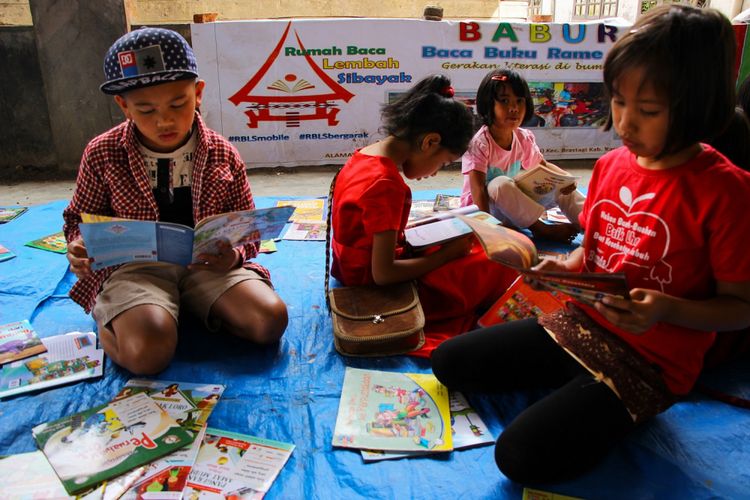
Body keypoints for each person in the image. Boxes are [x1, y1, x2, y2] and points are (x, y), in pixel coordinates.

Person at [431, 4, 750, 484]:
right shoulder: (611, 166)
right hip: (581, 323)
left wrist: (664, 308)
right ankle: (582, 391)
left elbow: (740, 307)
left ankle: (604, 400)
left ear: (697, 106)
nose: (625, 123)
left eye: (647, 111)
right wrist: (560, 267)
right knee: (448, 362)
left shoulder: (727, 190)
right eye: (618, 102)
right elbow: (592, 255)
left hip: (651, 361)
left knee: (518, 457)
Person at [63, 28, 288, 375]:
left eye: (178, 104)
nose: (164, 120)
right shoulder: (102, 153)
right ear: (123, 105)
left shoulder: (223, 153)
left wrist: (234, 256)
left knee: (270, 320)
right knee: (147, 355)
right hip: (136, 271)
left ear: (197, 94)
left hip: (209, 268)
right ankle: (122, 319)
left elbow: (249, 233)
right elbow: (79, 219)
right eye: (146, 109)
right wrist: (78, 246)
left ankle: (179, 310)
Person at [330, 75, 518, 357]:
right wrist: (447, 256)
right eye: (442, 163)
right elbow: (384, 274)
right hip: (373, 284)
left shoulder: (364, 157)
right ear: (430, 141)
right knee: (496, 260)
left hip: (351, 265)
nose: (434, 173)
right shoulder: (386, 184)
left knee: (473, 242)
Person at [460, 69, 585, 243]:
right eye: (504, 101)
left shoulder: (523, 137)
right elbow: (478, 191)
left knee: (563, 187)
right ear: (488, 105)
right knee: (499, 183)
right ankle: (542, 230)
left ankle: (592, 226)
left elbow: (543, 167)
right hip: (486, 215)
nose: (514, 108)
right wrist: (487, 232)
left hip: (517, 212)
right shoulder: (480, 143)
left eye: (519, 101)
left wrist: (566, 180)